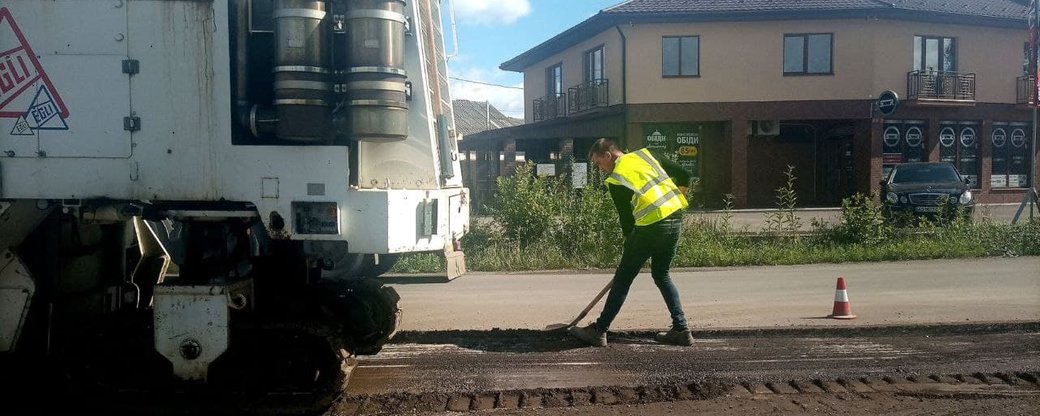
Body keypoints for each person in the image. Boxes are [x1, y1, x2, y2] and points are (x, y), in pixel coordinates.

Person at [568, 138, 694, 347]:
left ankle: (599, 330)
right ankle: (681, 329)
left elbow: (626, 218)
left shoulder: (617, 178)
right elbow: (684, 175)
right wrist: (672, 204)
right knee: (661, 274)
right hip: (675, 220)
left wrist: (630, 243)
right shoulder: (647, 155)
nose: (599, 169)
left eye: (598, 163)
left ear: (608, 155)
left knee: (623, 278)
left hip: (650, 228)